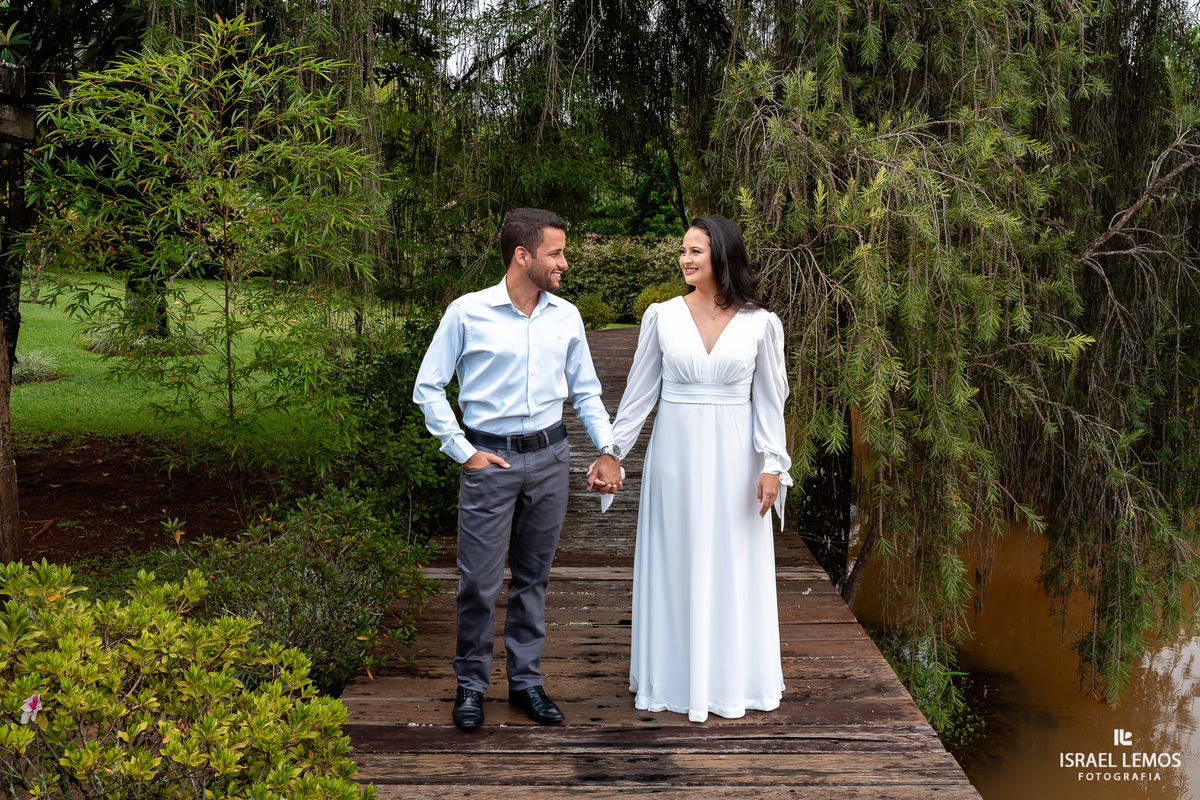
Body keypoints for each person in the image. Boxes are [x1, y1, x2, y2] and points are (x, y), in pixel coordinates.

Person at [414, 208, 623, 731]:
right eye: (555, 253)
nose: (564, 263)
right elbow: (428, 387)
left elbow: (587, 392)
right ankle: (471, 686)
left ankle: (526, 683)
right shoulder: (467, 313)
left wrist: (608, 448)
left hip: (551, 457)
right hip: (491, 459)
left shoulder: (566, 316)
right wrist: (464, 451)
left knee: (534, 579)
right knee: (478, 583)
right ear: (522, 255)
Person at [590, 214, 792, 722]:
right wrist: (613, 451)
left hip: (735, 460)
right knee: (676, 557)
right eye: (683, 250)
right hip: (674, 457)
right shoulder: (662, 316)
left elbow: (770, 403)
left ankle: (731, 680)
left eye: (695, 250)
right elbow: (638, 396)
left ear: (721, 255)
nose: (685, 259)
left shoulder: (760, 323)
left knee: (732, 561)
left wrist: (772, 465)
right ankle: (673, 679)